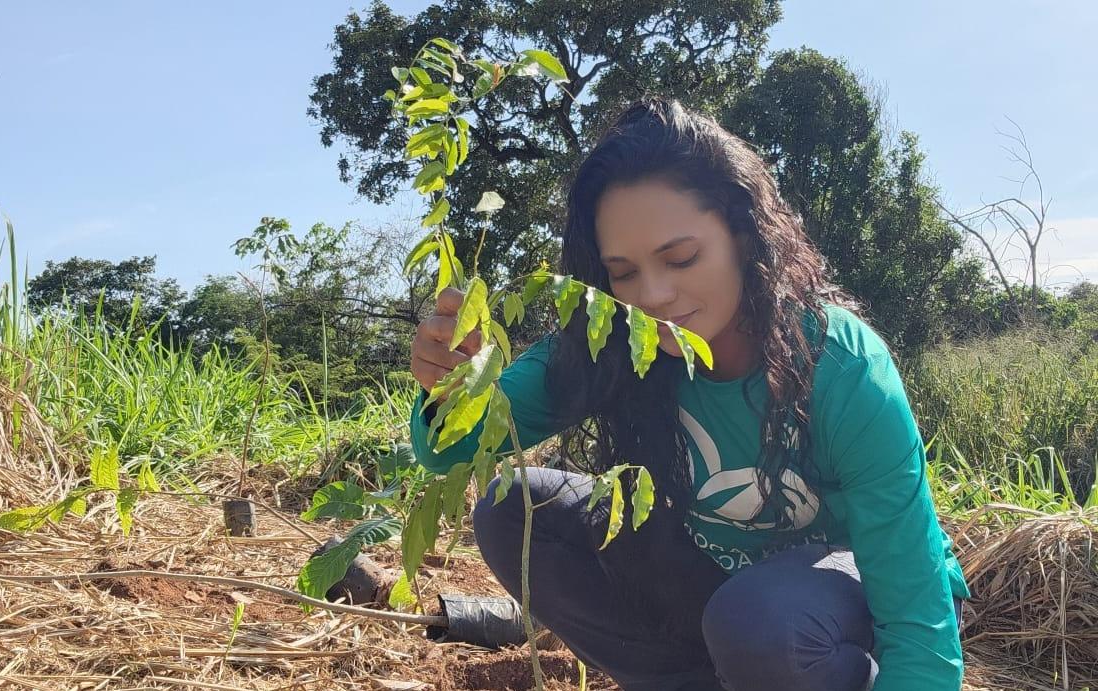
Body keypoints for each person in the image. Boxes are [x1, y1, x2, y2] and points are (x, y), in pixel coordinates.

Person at [408, 97, 970, 691]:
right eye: (623, 273)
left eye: (681, 258)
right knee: (512, 507)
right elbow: (448, 448)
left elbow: (919, 630)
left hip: (851, 599)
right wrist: (449, 383)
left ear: (745, 237)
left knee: (760, 623)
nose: (652, 296)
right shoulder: (611, 341)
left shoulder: (841, 366)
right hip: (725, 593)